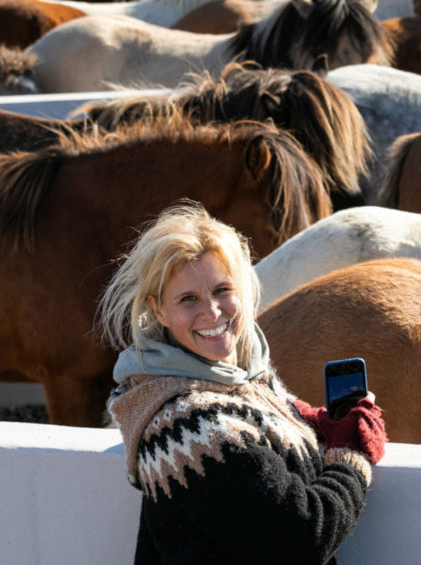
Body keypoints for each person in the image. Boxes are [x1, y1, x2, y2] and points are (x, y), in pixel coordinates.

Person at [99, 201, 387, 564]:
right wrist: (351, 453)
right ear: (158, 311)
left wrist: (309, 422)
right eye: (188, 299)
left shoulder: (245, 384)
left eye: (222, 290)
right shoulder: (190, 427)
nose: (212, 312)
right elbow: (304, 536)